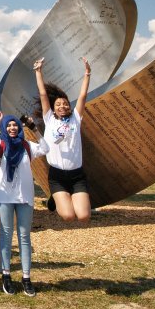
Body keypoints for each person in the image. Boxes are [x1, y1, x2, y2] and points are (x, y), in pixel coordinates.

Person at [0, 110, 49, 297]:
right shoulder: (0, 144)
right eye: (9, 125)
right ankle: (6, 275)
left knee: (24, 236)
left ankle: (26, 277)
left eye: (15, 125)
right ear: (5, 128)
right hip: (5, 197)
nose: (12, 128)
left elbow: (45, 149)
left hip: (25, 197)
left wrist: (34, 129)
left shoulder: (27, 146)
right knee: (5, 234)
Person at [34, 57, 92, 223]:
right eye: (58, 104)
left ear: (69, 106)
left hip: (77, 175)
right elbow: (43, 94)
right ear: (53, 108)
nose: (62, 106)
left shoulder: (76, 118)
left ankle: (69, 198)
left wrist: (87, 73)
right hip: (57, 175)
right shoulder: (49, 120)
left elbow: (83, 95)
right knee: (68, 216)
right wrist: (38, 72)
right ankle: (56, 198)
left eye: (65, 104)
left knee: (83, 216)